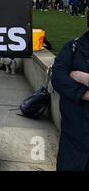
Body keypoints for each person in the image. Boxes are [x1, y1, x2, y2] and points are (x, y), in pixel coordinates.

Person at [51, 16, 89, 171]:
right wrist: (84, 94)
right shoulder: (73, 48)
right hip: (74, 134)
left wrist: (83, 77)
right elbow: (58, 78)